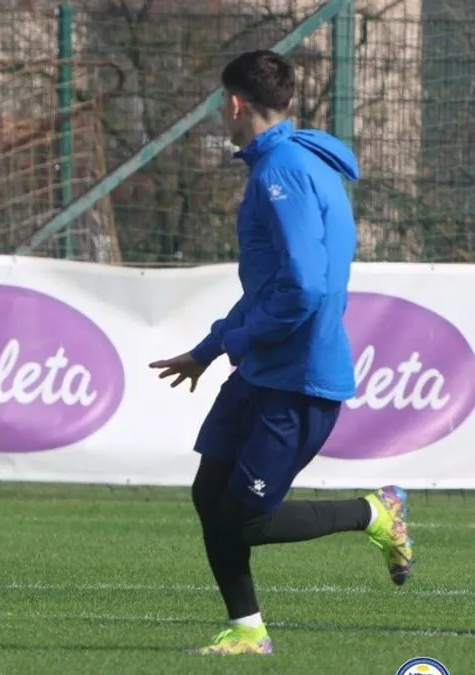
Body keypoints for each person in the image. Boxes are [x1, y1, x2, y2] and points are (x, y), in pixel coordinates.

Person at [148, 50, 414, 656]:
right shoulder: (281, 163)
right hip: (262, 370)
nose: (222, 113)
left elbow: (305, 288)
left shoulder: (282, 173)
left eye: (223, 103)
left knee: (243, 518)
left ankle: (374, 511)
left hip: (296, 378)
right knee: (208, 495)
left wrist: (235, 342)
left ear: (237, 103)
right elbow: (269, 287)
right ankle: (247, 631)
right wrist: (210, 349)